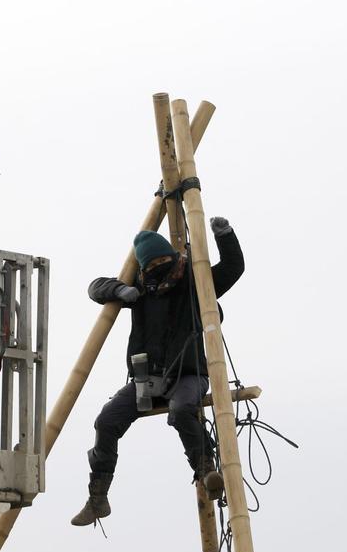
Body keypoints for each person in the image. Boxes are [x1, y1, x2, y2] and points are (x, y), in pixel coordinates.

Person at [70, 217, 244, 526]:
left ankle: (206, 470)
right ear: (144, 268)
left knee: (181, 412)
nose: (161, 268)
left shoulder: (193, 280)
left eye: (165, 260)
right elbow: (94, 288)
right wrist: (119, 290)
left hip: (187, 375)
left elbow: (232, 269)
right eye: (153, 265)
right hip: (146, 381)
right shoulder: (141, 289)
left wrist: (225, 236)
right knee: (106, 422)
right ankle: (97, 497)